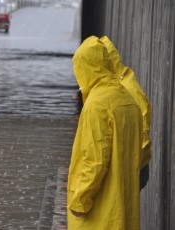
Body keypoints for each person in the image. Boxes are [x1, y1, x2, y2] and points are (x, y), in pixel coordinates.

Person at [67, 36, 143, 229]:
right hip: (123, 208)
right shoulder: (128, 100)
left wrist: (80, 200)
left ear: (87, 67)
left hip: (99, 213)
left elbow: (95, 160)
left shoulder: (96, 105)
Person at [100, 36, 152, 190]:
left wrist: (132, 166)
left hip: (131, 166)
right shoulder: (118, 83)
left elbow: (142, 132)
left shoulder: (128, 89)